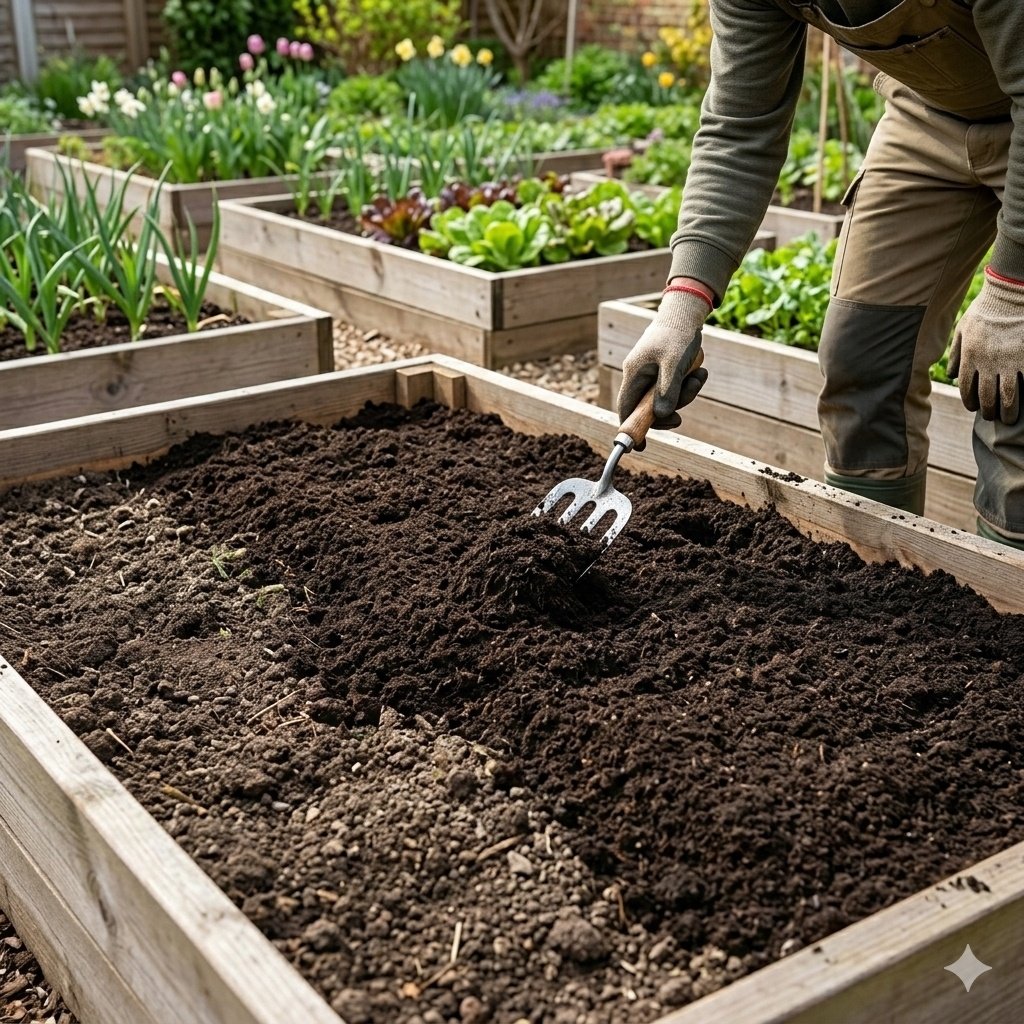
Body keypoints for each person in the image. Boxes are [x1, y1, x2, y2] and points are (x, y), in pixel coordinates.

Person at [617, 0, 1024, 548]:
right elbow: (739, 126)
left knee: (1016, 392)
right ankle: (880, 588)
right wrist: (680, 306)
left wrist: (1009, 295)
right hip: (929, 113)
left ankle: (1007, 598)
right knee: (863, 357)